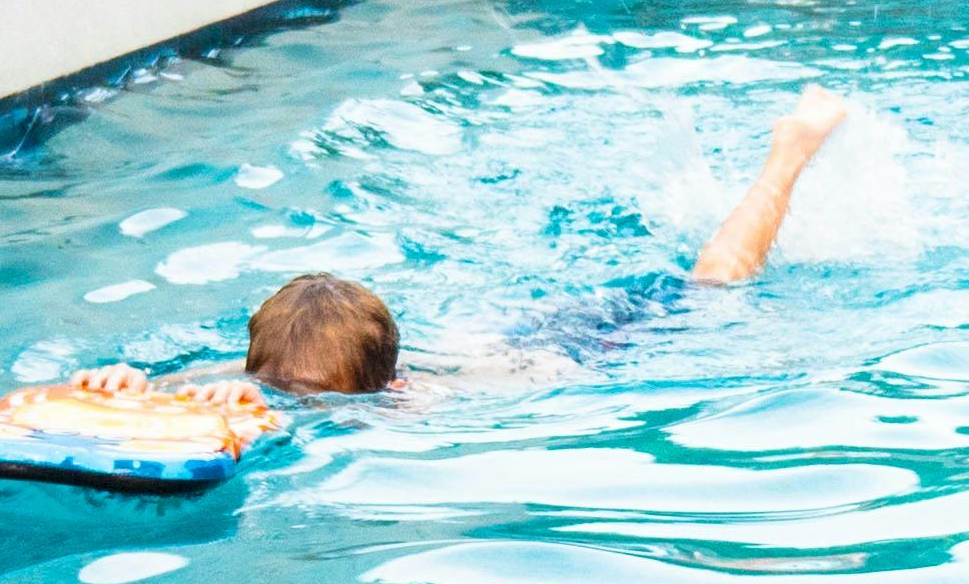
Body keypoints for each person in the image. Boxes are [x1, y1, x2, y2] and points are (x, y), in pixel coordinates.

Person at [56, 88, 855, 409]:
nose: (293, 404)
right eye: (282, 391)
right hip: (502, 333)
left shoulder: (407, 404)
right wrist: (129, 384)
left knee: (714, 281)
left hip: (592, 348)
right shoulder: (262, 372)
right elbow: (186, 383)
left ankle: (790, 149)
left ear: (385, 384)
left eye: (317, 398)